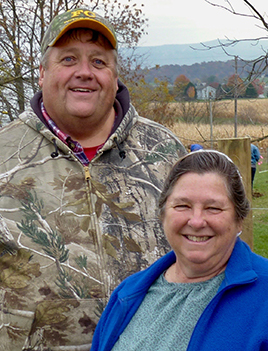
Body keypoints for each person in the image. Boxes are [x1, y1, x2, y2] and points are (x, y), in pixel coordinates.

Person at [0, 8, 186, 350]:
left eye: (99, 62)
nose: (84, 72)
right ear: (42, 73)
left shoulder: (166, 154)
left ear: (115, 76)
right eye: (68, 59)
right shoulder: (4, 155)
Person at [92, 150, 268, 351]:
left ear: (239, 220)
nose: (196, 221)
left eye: (213, 208)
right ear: (163, 214)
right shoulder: (127, 294)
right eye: (182, 205)